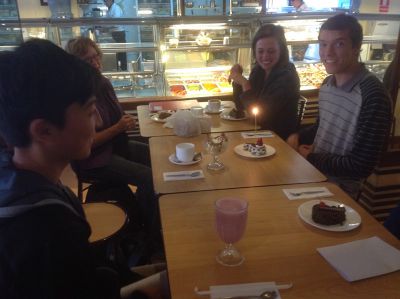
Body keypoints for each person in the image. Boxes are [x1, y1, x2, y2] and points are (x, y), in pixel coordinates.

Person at [0, 39, 167, 298]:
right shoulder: (47, 230)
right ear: (44, 130)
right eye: (90, 111)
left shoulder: (21, 180)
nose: (98, 120)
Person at [286, 14, 393, 199]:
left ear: (356, 48)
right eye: (323, 44)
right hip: (313, 176)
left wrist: (311, 158)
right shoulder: (327, 84)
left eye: (339, 44)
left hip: (340, 195)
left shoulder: (373, 95)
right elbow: (322, 127)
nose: (328, 53)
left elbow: (360, 165)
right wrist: (298, 136)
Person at [65, 37, 159, 241]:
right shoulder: (75, 97)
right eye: (88, 60)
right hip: (94, 160)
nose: (96, 63)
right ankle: (151, 237)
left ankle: (148, 211)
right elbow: (86, 145)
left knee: (158, 157)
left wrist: (122, 123)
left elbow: (115, 118)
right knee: (150, 178)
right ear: (75, 64)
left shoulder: (103, 83)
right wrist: (118, 127)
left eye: (96, 57)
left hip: (115, 146)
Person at [229, 24, 300, 140]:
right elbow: (241, 106)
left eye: (271, 51)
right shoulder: (259, 70)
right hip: (258, 133)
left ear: (281, 51)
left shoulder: (287, 76)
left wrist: (245, 84)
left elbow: (260, 117)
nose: (265, 56)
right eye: (260, 51)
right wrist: (238, 79)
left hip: (278, 139)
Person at [104, 0, 127, 70]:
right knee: (117, 52)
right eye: (104, 1)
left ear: (110, 0)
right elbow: (106, 20)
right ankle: (117, 68)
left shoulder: (116, 9)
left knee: (121, 52)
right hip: (115, 33)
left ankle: (123, 69)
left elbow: (115, 23)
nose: (105, 3)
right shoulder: (110, 9)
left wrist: (106, 28)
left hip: (119, 33)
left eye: (106, 1)